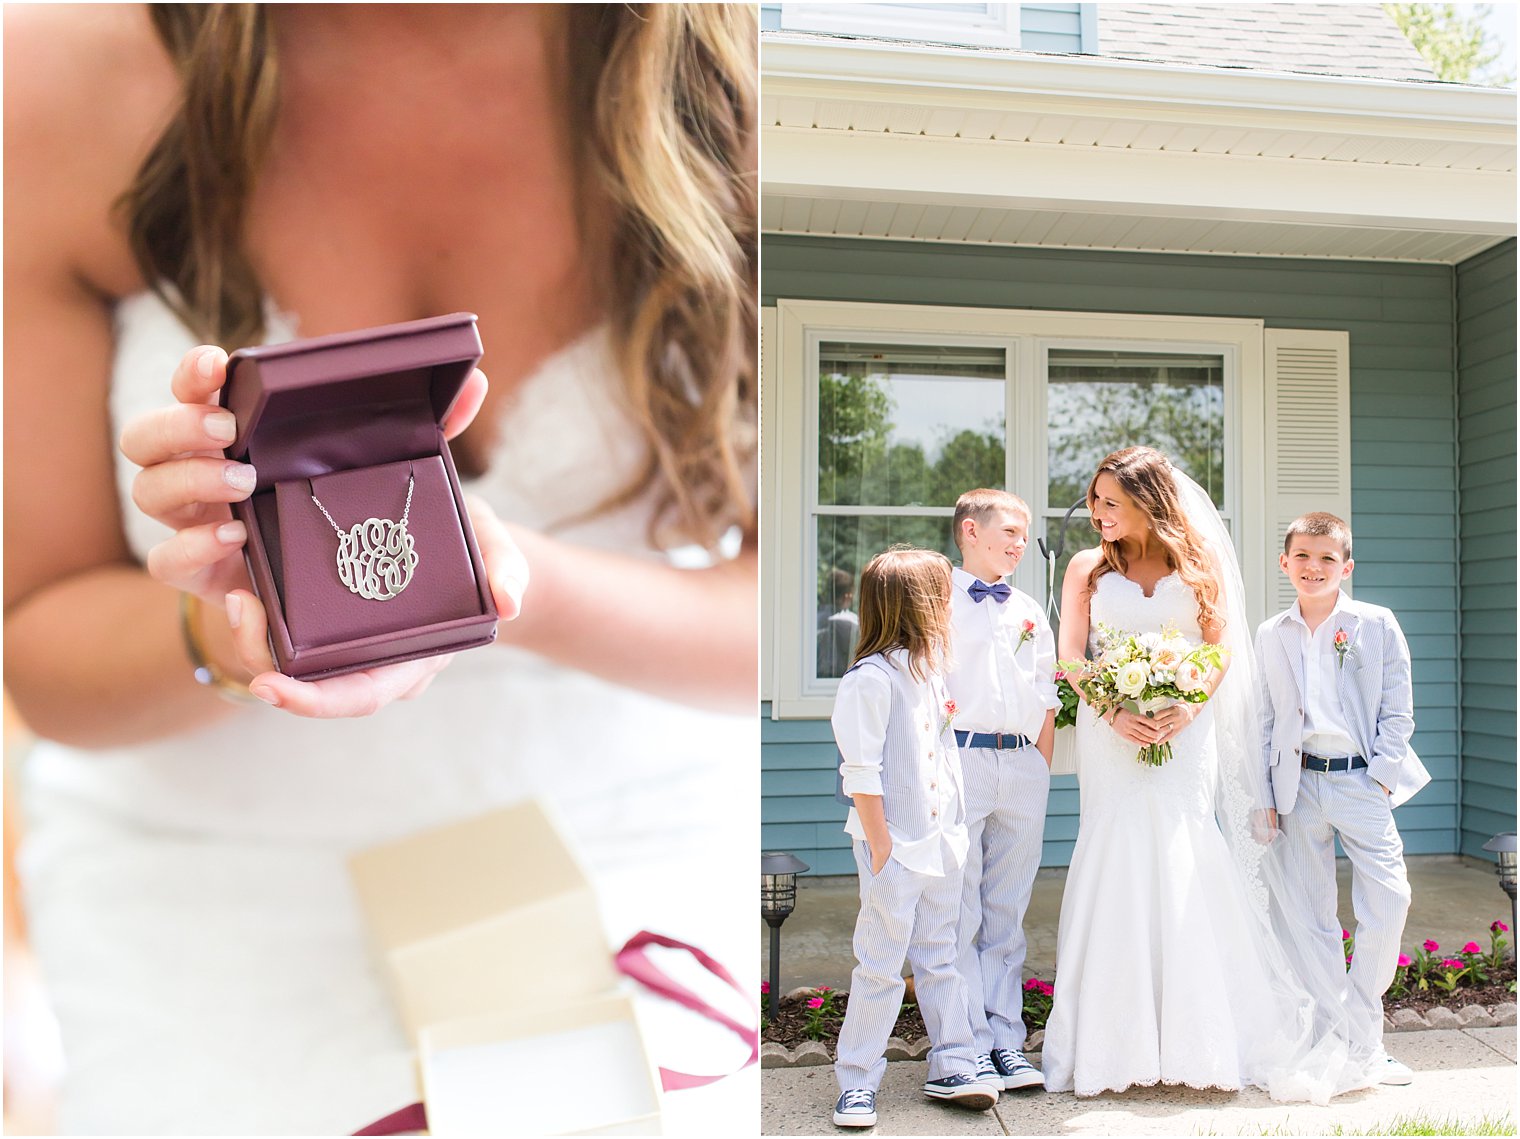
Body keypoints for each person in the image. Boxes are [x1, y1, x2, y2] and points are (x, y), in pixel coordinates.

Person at [3, 5, 756, 1133]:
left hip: (636, 812)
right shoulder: (58, 70)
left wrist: (505, 583)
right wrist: (229, 626)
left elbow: (784, 619)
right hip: (211, 872)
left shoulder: (736, 59)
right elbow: (44, 649)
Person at [1041, 446, 1376, 1103]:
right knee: (1114, 855)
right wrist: (1111, 709)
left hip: (1183, 738)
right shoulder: (1084, 568)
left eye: (1112, 500)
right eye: (1095, 499)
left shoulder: (1197, 564)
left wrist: (1185, 707)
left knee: (1184, 853)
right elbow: (1071, 652)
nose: (1098, 512)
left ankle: (1200, 1036)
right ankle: (1114, 1040)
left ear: (1147, 501)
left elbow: (1221, 648)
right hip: (1114, 741)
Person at [1256, 511, 1430, 1085]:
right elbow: (1265, 718)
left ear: (1346, 566)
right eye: (1302, 556)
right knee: (1311, 918)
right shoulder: (1271, 632)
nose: (1313, 567)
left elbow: (1398, 709)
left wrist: (1379, 779)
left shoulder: (1375, 623)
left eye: (1327, 558)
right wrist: (1266, 795)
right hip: (1298, 784)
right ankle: (1339, 1038)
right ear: (1285, 563)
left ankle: (1363, 1027)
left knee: (1390, 898)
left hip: (1361, 782)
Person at [830, 548, 996, 1129]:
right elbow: (862, 774)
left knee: (939, 955)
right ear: (919, 605)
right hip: (895, 845)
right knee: (878, 965)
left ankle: (953, 1061)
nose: (951, 606)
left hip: (941, 842)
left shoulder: (928, 672)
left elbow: (942, 756)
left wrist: (953, 830)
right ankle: (856, 1079)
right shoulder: (870, 681)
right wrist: (882, 849)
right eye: (944, 596)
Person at [942, 489, 1056, 1092]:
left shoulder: (1029, 608)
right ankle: (966, 1046)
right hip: (961, 759)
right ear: (970, 531)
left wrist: (1039, 765)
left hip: (1020, 766)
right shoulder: (936, 604)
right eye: (1008, 531)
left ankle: (1006, 1038)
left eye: (1023, 533)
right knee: (960, 909)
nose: (1018, 543)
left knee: (1006, 911)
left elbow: (1046, 691)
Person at [817, 567, 860, 679]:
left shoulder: (817, 617)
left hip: (820, 674)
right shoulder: (850, 622)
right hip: (842, 676)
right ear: (847, 596)